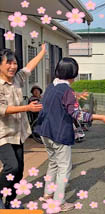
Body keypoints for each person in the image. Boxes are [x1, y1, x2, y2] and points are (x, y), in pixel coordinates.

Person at [35, 57, 105, 212]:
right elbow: (77, 115)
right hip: (59, 134)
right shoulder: (68, 91)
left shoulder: (51, 86)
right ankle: (59, 202)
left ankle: (47, 194)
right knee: (64, 168)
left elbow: (61, 100)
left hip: (45, 132)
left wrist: (75, 96)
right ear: (74, 74)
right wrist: (100, 117)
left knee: (53, 163)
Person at [0, 46, 45, 209]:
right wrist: (27, 108)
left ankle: (10, 202)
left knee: (18, 172)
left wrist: (42, 53)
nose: (13, 66)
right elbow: (2, 110)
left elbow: (30, 67)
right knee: (12, 166)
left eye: (15, 63)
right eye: (8, 63)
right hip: (2, 134)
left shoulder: (18, 78)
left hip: (18, 133)